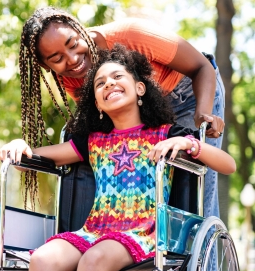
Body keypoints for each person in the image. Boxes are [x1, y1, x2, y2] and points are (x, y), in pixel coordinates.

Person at [0, 45, 235, 271]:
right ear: (98, 104)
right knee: (42, 259)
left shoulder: (166, 134)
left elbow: (228, 165)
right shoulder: (93, 142)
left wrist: (189, 144)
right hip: (93, 232)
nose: (109, 84)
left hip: (144, 233)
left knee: (94, 259)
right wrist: (20, 146)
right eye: (100, 83)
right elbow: (33, 158)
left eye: (117, 76)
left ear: (140, 88)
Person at [19, 6, 225, 218]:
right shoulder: (72, 76)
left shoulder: (131, 34)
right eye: (56, 58)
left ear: (80, 30)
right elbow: (106, 121)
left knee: (192, 191)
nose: (72, 59)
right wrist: (25, 151)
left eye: (73, 44)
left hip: (189, 95)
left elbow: (202, 67)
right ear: (45, 65)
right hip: (141, 111)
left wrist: (202, 115)